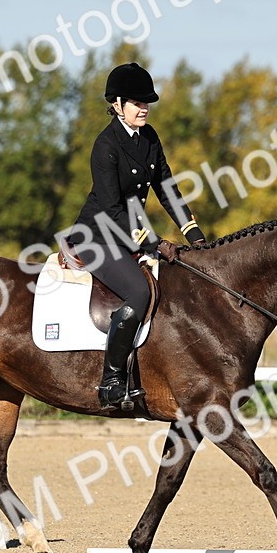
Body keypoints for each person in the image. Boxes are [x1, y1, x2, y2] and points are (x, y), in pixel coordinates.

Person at [68, 62, 206, 409]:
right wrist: (154, 243)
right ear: (117, 104)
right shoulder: (106, 144)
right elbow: (112, 209)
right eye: (136, 102)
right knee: (139, 291)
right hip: (98, 236)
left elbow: (168, 190)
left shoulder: (149, 137)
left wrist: (197, 239)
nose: (144, 108)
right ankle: (112, 381)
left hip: (128, 233)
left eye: (146, 103)